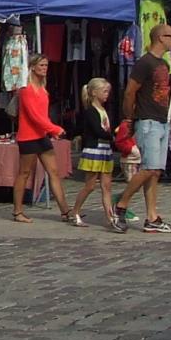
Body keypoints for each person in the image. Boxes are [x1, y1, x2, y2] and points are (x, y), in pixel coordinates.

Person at [115, 24, 171, 233]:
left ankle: (152, 216)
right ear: (160, 37)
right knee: (149, 168)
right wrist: (129, 117)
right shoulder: (144, 63)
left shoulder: (164, 64)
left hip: (161, 120)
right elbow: (130, 91)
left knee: (155, 172)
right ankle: (121, 205)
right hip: (147, 120)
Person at [10, 53, 72, 224]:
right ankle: (17, 211)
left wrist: (51, 130)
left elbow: (42, 116)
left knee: (54, 172)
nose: (44, 69)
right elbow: (34, 116)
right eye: (41, 66)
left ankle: (65, 210)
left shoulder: (43, 89)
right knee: (24, 173)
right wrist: (54, 128)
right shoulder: (26, 90)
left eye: (46, 65)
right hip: (28, 137)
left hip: (41, 136)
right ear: (33, 67)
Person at [68, 78, 123, 233]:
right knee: (90, 185)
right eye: (104, 91)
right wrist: (113, 136)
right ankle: (75, 211)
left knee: (107, 186)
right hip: (94, 150)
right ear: (94, 92)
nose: (107, 94)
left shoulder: (104, 110)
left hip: (105, 150)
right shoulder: (91, 111)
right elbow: (97, 131)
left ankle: (110, 217)